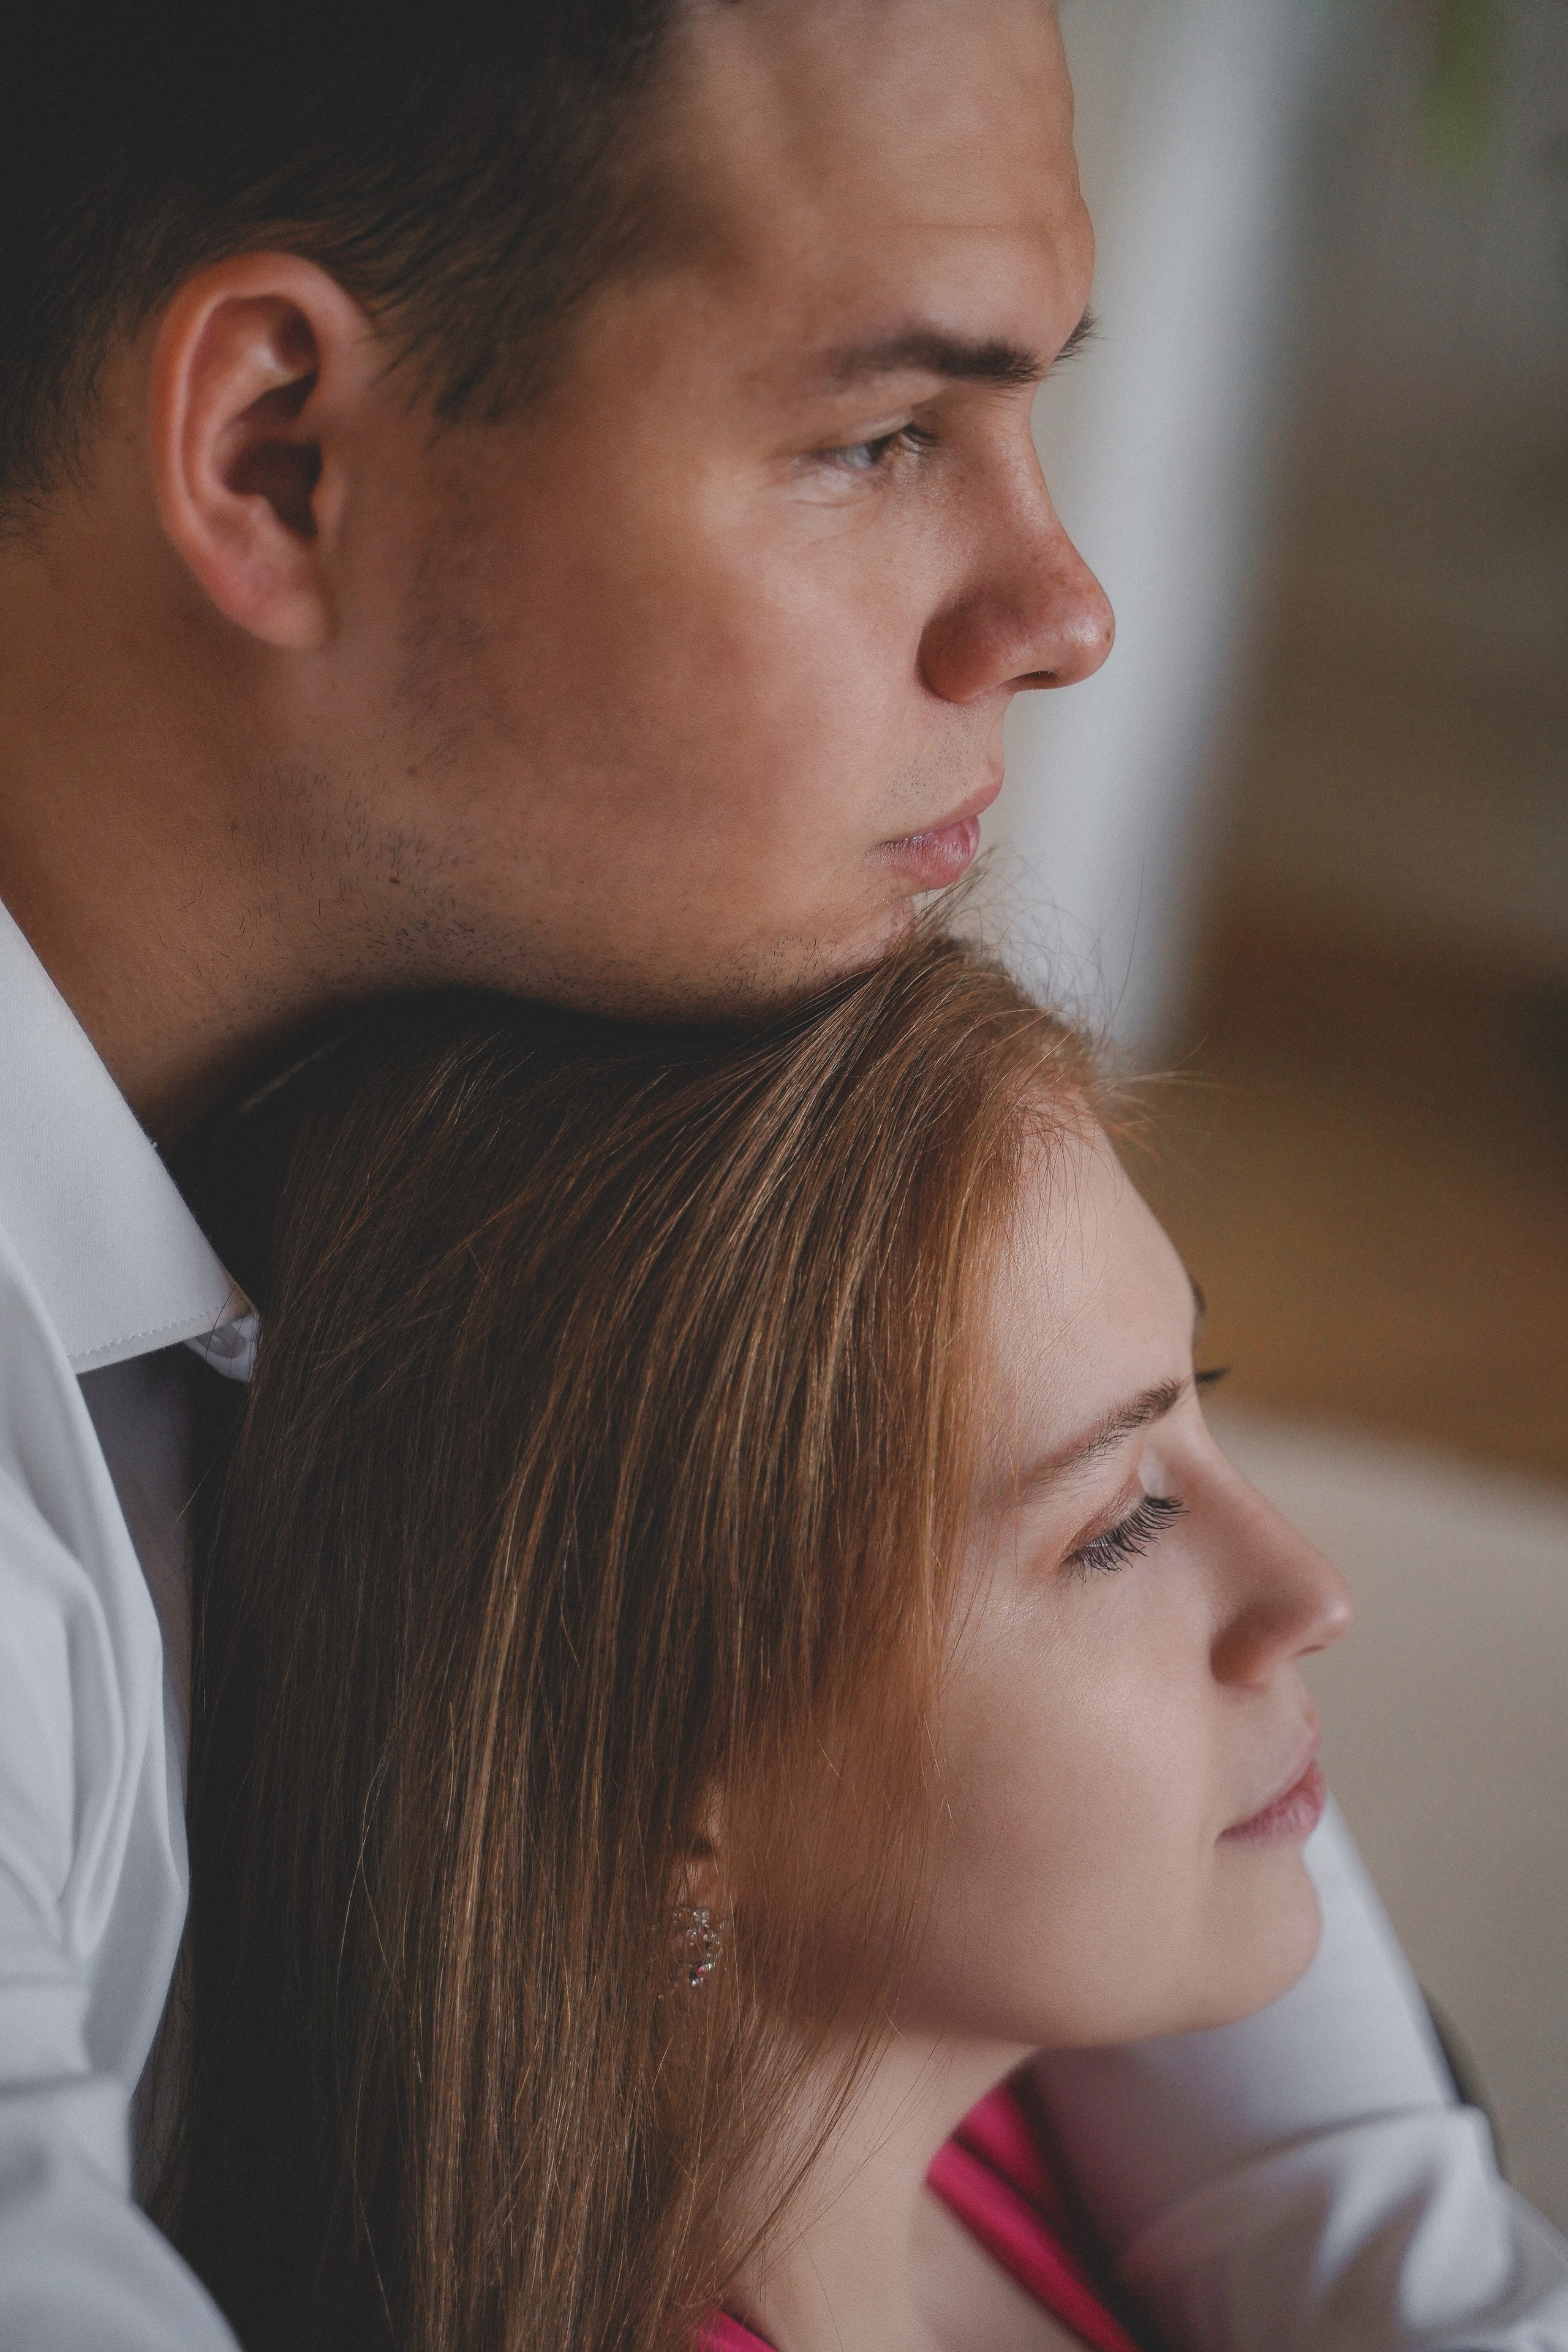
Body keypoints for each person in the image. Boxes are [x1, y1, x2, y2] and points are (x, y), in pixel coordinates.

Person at [0, 1, 1561, 2346]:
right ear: (281, 456)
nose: (1064, 613)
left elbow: (1350, 2188)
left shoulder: (622, 956)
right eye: (883, 436)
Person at [172, 933, 1354, 2352]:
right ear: (671, 1769)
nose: (1310, 1593)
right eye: (1115, 1525)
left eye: (1199, 1399)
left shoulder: (1015, 2107)